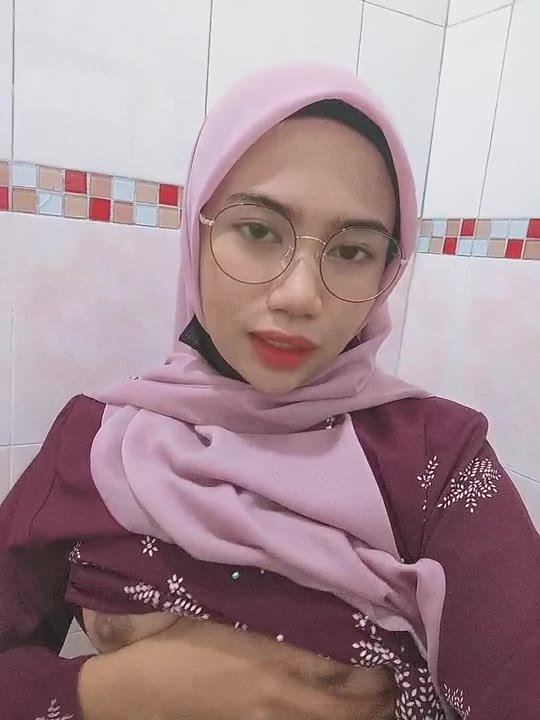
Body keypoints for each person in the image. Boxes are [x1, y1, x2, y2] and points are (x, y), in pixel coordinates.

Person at [1, 63, 538, 720]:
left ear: (387, 271)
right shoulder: (92, 442)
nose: (300, 296)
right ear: (197, 233)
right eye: (258, 231)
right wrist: (109, 692)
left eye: (352, 251)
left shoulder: (438, 458)